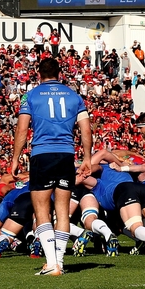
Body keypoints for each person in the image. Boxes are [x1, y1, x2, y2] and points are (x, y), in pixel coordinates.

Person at [11, 57, 93, 275]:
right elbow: (86, 129)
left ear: (39, 74)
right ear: (60, 74)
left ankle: (51, 264)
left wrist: (15, 158)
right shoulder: (74, 96)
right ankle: (59, 263)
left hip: (42, 154)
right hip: (66, 154)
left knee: (42, 210)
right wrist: (87, 157)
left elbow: (22, 129)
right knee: (63, 212)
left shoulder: (30, 96)